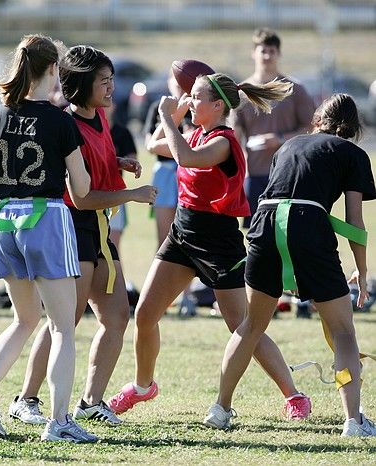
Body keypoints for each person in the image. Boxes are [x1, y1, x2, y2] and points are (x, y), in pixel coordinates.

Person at [107, 72, 312, 422]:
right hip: (183, 233)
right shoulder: (195, 133)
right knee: (144, 315)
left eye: (197, 97)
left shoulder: (223, 141)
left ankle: (294, 395)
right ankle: (143, 387)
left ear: (217, 106)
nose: (190, 101)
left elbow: (184, 158)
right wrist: (171, 119)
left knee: (243, 327)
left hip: (219, 242)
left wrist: (166, 119)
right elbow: (159, 146)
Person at [204, 94, 376, 437]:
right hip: (307, 225)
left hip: (264, 224)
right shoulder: (353, 153)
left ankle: (220, 408)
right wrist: (362, 270)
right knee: (343, 331)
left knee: (251, 325)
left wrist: (288, 264)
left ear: (317, 121)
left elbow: (279, 197)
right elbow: (354, 221)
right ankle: (354, 422)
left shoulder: (290, 145)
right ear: (353, 128)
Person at [9, 45, 157, 428]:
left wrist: (118, 162)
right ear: (80, 85)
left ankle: (91, 401)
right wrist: (131, 195)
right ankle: (25, 399)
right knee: (65, 320)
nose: (111, 88)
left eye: (112, 80)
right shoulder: (67, 123)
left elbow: (94, 168)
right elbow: (82, 196)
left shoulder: (100, 117)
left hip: (99, 228)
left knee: (117, 315)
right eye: (103, 81)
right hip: (72, 227)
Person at [0, 34, 95, 442]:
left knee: (23, 319)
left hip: (3, 222)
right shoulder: (60, 120)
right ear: (53, 68)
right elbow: (83, 189)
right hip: (47, 220)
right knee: (62, 328)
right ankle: (59, 422)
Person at [231, 28, 314, 229]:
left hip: (289, 172)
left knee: (287, 231)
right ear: (254, 53)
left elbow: (312, 128)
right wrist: (242, 169)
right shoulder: (241, 92)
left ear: (279, 54)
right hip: (254, 173)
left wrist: (280, 139)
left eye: (272, 51)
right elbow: (234, 135)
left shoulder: (294, 89)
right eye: (263, 50)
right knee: (255, 234)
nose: (267, 56)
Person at [143, 71, 197, 316]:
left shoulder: (196, 107)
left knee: (187, 237)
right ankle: (161, 298)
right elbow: (151, 144)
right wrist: (173, 118)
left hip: (189, 173)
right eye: (176, 83)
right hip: (165, 174)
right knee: (164, 238)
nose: (180, 88)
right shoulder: (158, 106)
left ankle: (187, 296)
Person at [103, 100, 138, 251]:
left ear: (114, 106)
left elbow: (133, 160)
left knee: (112, 248)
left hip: (115, 193)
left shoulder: (122, 133)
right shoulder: (88, 131)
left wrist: (123, 162)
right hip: (91, 191)